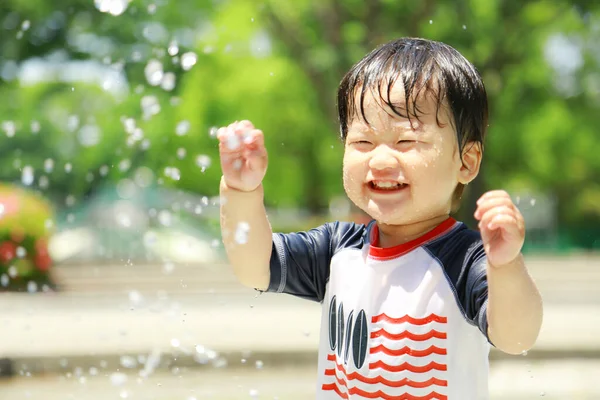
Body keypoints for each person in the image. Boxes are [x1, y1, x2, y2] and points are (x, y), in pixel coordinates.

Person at [218, 37, 543, 400]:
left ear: (466, 161)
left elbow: (516, 337)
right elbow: (254, 266)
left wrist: (506, 265)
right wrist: (242, 193)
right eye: (362, 143)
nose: (381, 160)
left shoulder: (465, 260)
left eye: (406, 142)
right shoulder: (338, 249)